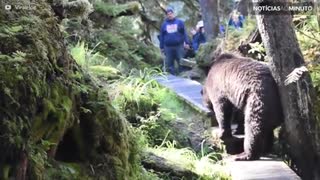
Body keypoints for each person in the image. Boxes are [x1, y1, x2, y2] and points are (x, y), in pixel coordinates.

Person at [159, 7, 190, 75]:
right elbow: (161, 36)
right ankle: (172, 78)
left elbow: (184, 33)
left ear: (173, 14)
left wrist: (187, 43)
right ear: (166, 15)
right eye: (168, 14)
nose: (170, 15)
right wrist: (161, 47)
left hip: (179, 46)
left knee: (181, 61)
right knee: (169, 63)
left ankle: (183, 75)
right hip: (168, 47)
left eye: (171, 13)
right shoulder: (164, 24)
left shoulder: (180, 22)